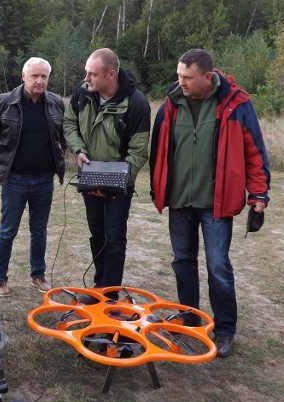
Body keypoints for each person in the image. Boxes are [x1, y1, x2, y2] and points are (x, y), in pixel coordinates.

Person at [149, 48, 271, 357]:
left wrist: (258, 193)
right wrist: (157, 187)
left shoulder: (236, 104)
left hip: (214, 203)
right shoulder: (170, 104)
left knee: (218, 266)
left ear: (207, 76)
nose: (181, 82)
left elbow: (255, 152)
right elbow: (158, 149)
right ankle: (189, 318)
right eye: (178, 76)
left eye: (187, 77)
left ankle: (225, 329)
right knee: (182, 261)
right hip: (179, 201)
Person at [63, 48, 150, 299]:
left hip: (119, 185)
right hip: (88, 176)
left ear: (111, 74)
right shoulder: (83, 93)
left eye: (92, 73)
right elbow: (69, 123)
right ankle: (99, 286)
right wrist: (78, 150)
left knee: (114, 239)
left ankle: (110, 294)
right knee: (97, 233)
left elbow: (139, 151)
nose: (86, 78)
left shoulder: (136, 103)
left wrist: (114, 184)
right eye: (86, 72)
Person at [0, 57, 66, 297]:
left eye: (44, 76)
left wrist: (57, 160)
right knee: (7, 231)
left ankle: (38, 275)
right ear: (23, 76)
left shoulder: (56, 104)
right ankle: (0, 279)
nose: (39, 81)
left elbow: (63, 136)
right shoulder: (4, 102)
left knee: (39, 230)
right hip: (14, 179)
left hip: (43, 180)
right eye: (34, 76)